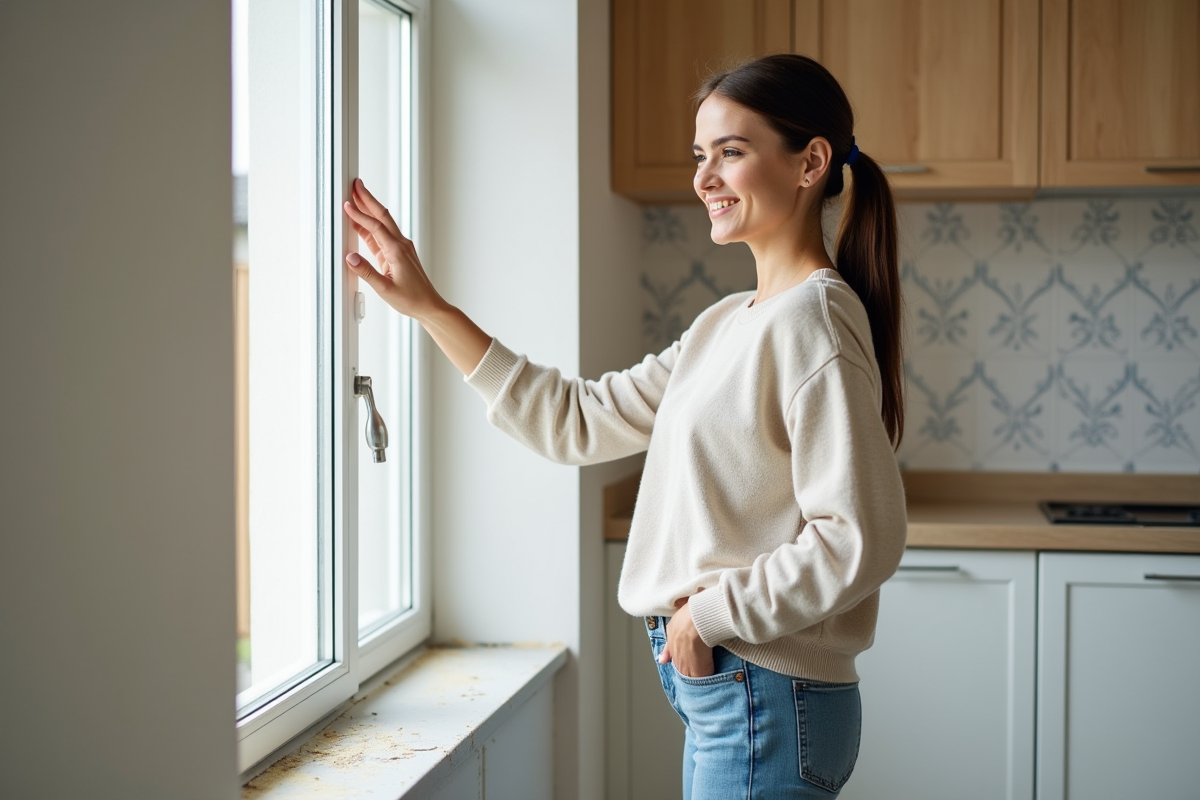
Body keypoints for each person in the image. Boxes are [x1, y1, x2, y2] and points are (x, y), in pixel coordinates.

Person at [344, 53, 907, 800]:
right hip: (733, 692)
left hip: (764, 694)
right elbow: (575, 422)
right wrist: (429, 308)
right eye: (700, 156)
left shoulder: (814, 320)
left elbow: (858, 538)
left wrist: (706, 617)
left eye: (730, 152)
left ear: (810, 163)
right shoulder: (726, 323)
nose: (704, 178)